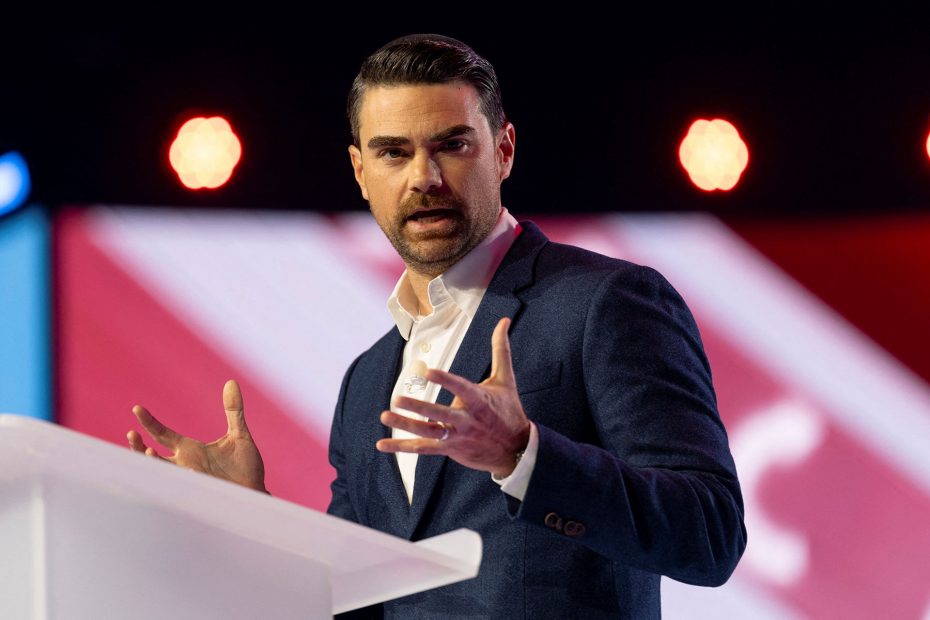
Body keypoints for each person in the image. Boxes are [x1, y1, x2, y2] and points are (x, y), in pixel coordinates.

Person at [129, 34, 746, 619]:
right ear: (360, 171)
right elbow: (356, 598)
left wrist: (523, 456)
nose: (423, 177)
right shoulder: (367, 378)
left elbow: (711, 534)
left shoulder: (606, 303)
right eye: (393, 152)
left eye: (452, 145)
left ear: (503, 151)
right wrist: (252, 517)